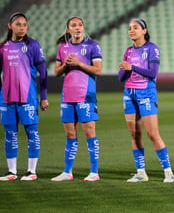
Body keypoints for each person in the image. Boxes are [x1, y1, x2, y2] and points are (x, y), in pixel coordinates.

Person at [118, 18, 174, 183]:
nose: (131, 31)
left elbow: (153, 72)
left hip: (146, 94)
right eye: (129, 28)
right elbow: (121, 77)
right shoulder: (128, 51)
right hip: (129, 94)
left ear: (144, 31)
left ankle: (168, 172)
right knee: (135, 134)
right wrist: (125, 68)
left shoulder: (152, 48)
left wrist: (132, 67)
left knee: (152, 134)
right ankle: (141, 172)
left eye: (135, 27)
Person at [51, 17, 102, 182]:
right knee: (70, 134)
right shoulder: (63, 47)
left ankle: (94, 172)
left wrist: (79, 63)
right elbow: (57, 72)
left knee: (89, 132)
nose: (78, 28)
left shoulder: (92, 45)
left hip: (86, 95)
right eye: (74, 25)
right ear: (68, 30)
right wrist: (66, 64)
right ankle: (67, 172)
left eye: (80, 25)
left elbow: (98, 70)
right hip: (67, 95)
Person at [0, 12, 48, 181]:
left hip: (28, 97)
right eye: (18, 24)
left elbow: (43, 73)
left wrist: (43, 96)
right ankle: (12, 172)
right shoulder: (2, 47)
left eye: (24, 25)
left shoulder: (33, 45)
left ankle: (31, 171)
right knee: (10, 134)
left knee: (32, 133)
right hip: (6, 97)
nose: (22, 27)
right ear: (10, 26)